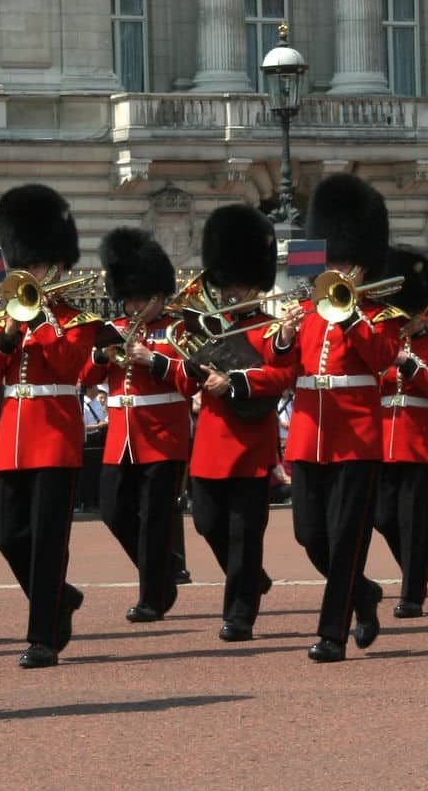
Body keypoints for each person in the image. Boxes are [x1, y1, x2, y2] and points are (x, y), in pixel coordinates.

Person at [279, 173, 406, 663]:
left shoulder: (380, 314)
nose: (335, 271)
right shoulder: (307, 312)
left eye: (344, 263)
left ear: (362, 266)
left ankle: (331, 634)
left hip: (356, 437)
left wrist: (350, 316)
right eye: (330, 262)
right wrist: (286, 336)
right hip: (310, 435)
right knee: (311, 536)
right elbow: (285, 370)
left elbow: (379, 359)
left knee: (346, 537)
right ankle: (365, 594)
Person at [0, 184, 96, 666]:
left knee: (49, 541)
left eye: (38, 267)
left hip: (53, 434)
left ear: (58, 268)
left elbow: (74, 368)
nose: (29, 275)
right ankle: (59, 597)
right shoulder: (4, 321)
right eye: (24, 266)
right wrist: (9, 336)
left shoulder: (78, 319)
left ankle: (42, 636)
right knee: (6, 535)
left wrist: (45, 317)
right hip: (11, 435)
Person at [183, 203, 295, 644]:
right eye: (227, 286)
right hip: (210, 443)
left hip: (250, 444)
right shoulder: (210, 329)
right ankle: (253, 580)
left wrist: (233, 382)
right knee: (208, 524)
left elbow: (284, 375)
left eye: (239, 286)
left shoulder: (269, 330)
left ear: (256, 284)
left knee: (245, 535)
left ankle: (240, 614)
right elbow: (182, 370)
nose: (231, 293)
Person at [88, 227, 192, 623]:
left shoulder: (179, 328)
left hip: (164, 435)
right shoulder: (110, 329)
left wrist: (155, 361)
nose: (134, 307)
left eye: (141, 299)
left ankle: (153, 596)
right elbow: (84, 375)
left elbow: (192, 379)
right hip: (121, 437)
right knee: (114, 512)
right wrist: (101, 356)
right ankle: (163, 571)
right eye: (129, 299)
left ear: (160, 295)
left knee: (154, 518)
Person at [373, 246, 428, 619]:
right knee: (383, 516)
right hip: (381, 439)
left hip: (422, 441)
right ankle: (423, 557)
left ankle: (412, 592)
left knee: (414, 520)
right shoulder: (382, 339)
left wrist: (407, 364)